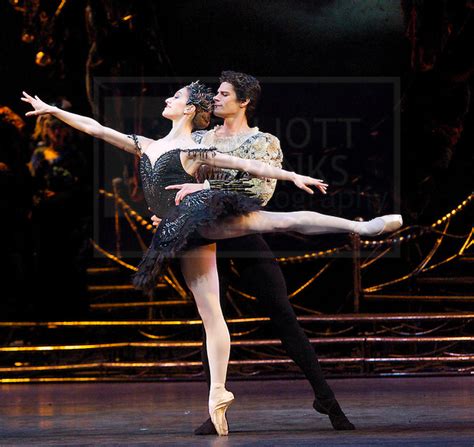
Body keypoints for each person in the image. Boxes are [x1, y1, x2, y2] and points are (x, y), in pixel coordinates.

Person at [21, 83, 402, 436]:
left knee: (279, 222)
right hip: (182, 233)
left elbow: (248, 167)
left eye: (175, 96)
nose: (167, 100)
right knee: (210, 314)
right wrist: (53, 109)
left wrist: (292, 176)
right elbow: (97, 129)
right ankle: (217, 394)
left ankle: (366, 228)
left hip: (204, 216)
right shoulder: (147, 144)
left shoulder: (194, 149)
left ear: (188, 110)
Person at [151, 71, 396, 435]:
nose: (215, 99)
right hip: (205, 235)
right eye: (215, 94)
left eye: (223, 94)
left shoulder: (262, 142)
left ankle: (326, 399)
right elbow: (175, 181)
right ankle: (214, 408)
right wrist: (169, 209)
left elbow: (260, 193)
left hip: (242, 229)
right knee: (211, 322)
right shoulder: (198, 137)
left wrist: (207, 190)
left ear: (244, 101)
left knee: (282, 315)